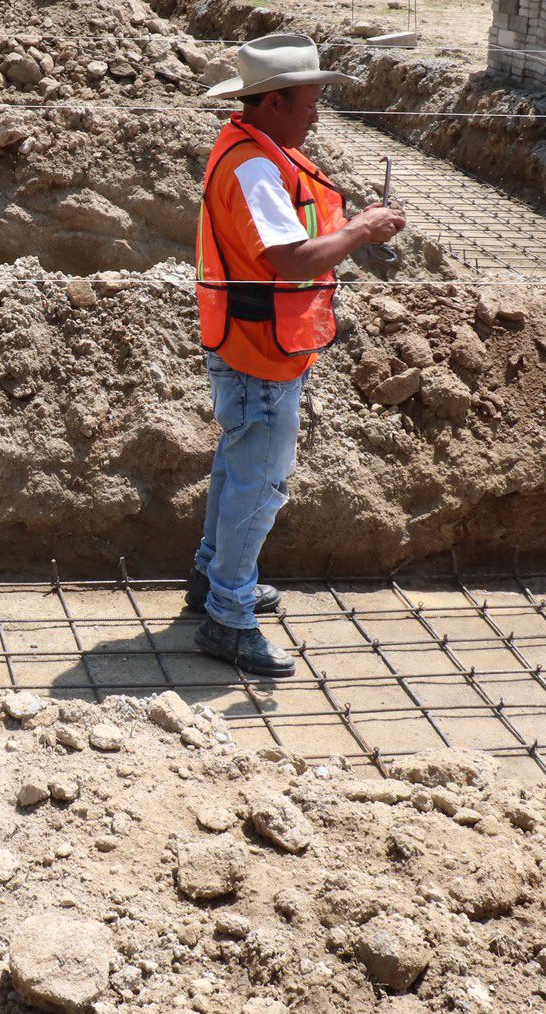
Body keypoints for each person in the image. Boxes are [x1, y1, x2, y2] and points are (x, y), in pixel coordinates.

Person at [190, 33, 408, 678]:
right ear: (273, 101)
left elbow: (294, 241)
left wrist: (350, 226)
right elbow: (286, 260)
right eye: (310, 101)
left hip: (250, 337)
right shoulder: (256, 167)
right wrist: (361, 232)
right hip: (260, 346)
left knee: (239, 466)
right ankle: (229, 618)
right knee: (259, 481)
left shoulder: (254, 150)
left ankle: (217, 579)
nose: (317, 113)